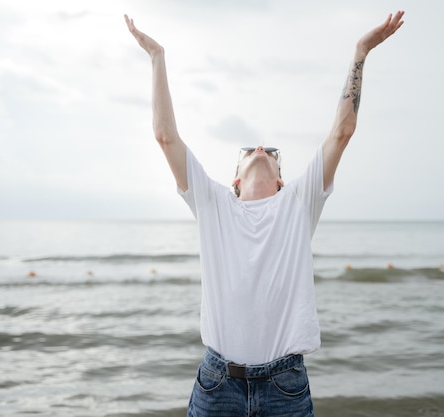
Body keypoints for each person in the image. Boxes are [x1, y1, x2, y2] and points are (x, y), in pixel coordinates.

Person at [125, 11, 404, 417]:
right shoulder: (213, 203)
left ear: (281, 182)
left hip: (284, 386)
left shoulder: (297, 204)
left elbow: (341, 132)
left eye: (272, 152)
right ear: (233, 180)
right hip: (217, 382)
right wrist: (157, 56)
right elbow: (165, 136)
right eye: (250, 150)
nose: (260, 150)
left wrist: (360, 52)